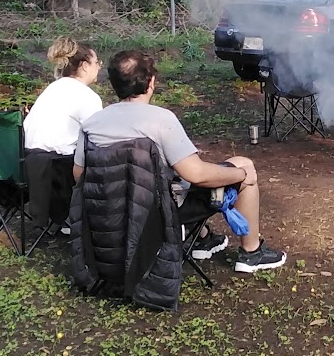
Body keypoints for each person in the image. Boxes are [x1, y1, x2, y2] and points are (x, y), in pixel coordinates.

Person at [75, 50, 287, 274]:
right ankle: (251, 253)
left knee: (173, 177)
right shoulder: (160, 120)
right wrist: (242, 175)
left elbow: (79, 175)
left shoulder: (92, 124)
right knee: (243, 165)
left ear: (114, 84)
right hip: (157, 214)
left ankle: (203, 240)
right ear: (151, 82)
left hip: (108, 214)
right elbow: (197, 175)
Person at [20, 36, 103, 237]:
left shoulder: (53, 88)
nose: (100, 66)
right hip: (58, 171)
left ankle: (65, 219)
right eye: (97, 62)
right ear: (84, 66)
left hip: (28, 166)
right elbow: (99, 137)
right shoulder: (86, 96)